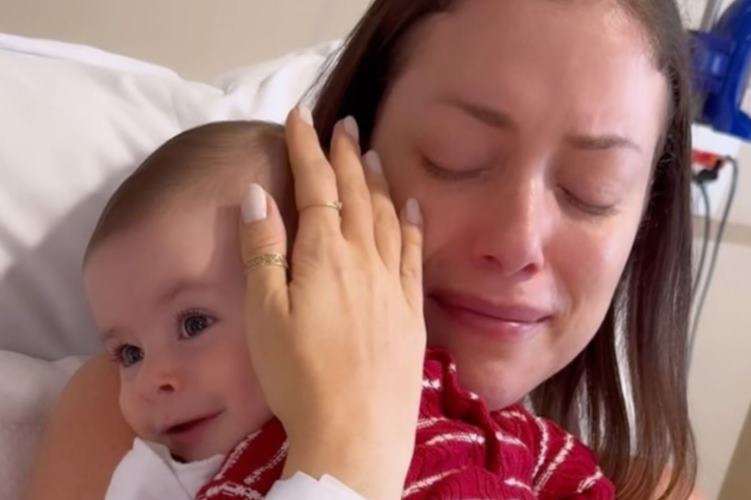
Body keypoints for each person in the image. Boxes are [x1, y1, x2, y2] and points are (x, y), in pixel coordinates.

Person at [25, 0, 700, 498]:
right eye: (455, 158)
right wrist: (343, 456)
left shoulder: (620, 485)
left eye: (592, 190)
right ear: (340, 156)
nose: (517, 243)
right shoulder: (155, 423)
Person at [87, 119, 614, 500]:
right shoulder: (196, 484)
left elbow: (569, 476)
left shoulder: (452, 399)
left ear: (320, 285)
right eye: (128, 353)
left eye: (194, 323)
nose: (153, 378)